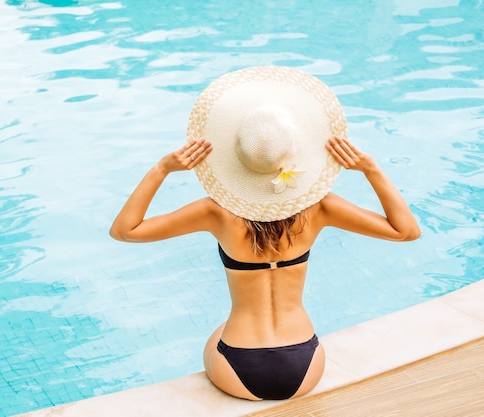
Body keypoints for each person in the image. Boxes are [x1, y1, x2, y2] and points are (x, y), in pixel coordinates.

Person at [109, 66, 420, 401]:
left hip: (237, 365)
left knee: (216, 335)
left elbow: (125, 230)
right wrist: (370, 169)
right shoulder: (321, 208)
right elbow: (406, 231)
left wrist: (162, 169)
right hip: (305, 364)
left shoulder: (216, 213)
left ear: (239, 161)